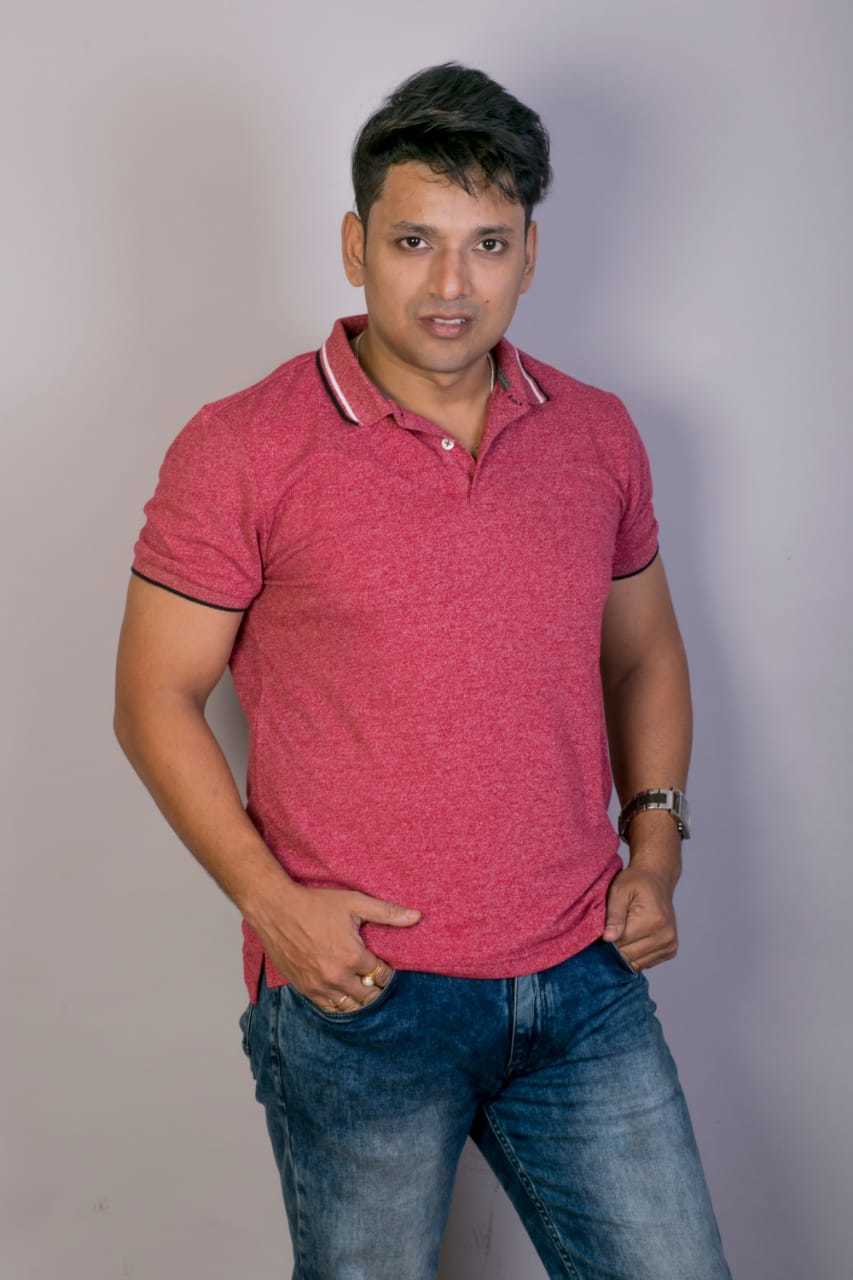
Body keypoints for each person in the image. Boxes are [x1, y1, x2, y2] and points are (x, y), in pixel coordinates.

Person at [114, 59, 733, 1280]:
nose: (452, 285)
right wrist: (273, 906)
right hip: (363, 996)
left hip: (582, 975)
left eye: (486, 243)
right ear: (355, 245)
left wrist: (654, 846)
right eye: (414, 241)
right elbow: (153, 699)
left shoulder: (595, 431)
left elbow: (643, 650)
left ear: (529, 253)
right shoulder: (243, 446)